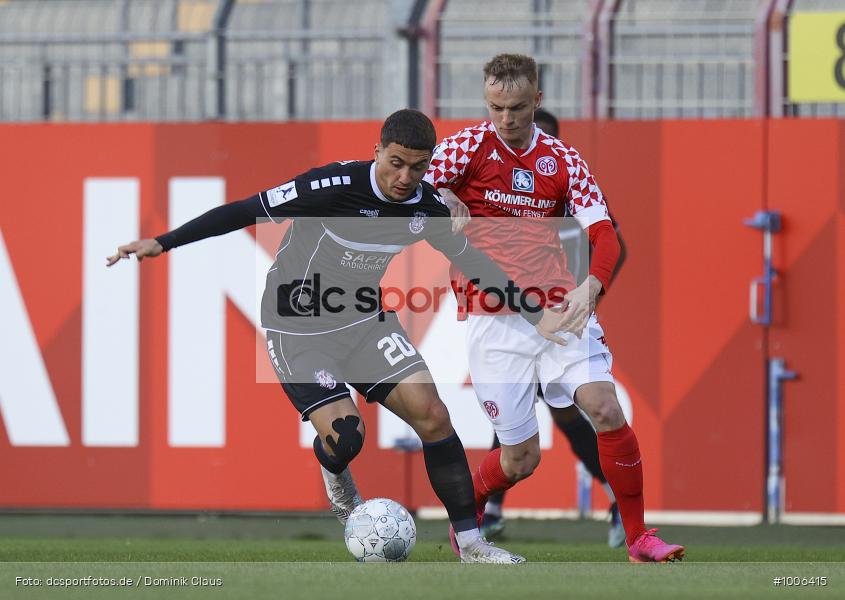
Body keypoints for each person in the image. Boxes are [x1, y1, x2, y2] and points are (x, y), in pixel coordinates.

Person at [106, 109, 575, 564]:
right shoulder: (331, 186)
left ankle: (472, 545)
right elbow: (245, 210)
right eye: (395, 163)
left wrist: (536, 315)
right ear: (377, 152)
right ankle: (337, 477)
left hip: (365, 324)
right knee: (349, 436)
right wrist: (163, 242)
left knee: (434, 416)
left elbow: (476, 265)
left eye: (418, 167)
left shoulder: (426, 206)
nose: (405, 177)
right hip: (298, 327)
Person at [425, 55, 684, 563]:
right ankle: (469, 512)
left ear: (537, 101)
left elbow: (604, 235)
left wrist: (593, 284)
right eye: (496, 106)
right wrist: (440, 198)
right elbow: (413, 191)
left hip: (557, 311)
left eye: (518, 107)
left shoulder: (564, 160)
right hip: (492, 319)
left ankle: (638, 538)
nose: (506, 118)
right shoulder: (463, 147)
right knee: (520, 458)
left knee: (606, 409)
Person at [479, 108, 628, 549]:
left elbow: (613, 243)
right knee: (533, 417)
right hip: (512, 322)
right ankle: (489, 511)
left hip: (557, 323)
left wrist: (589, 296)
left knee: (551, 417)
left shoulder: (570, 190)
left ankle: (486, 511)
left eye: (541, 139)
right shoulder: (498, 191)